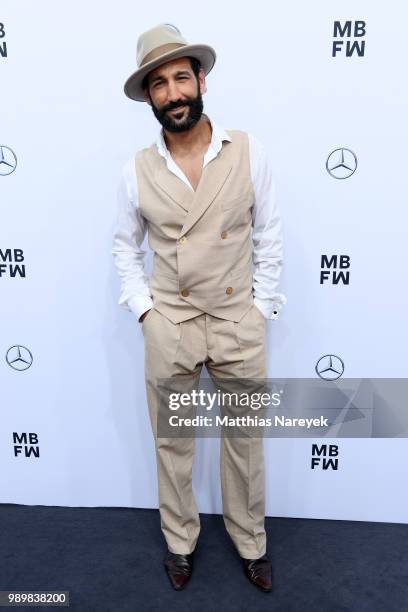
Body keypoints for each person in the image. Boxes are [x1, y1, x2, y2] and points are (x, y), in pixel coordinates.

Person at [112, 22, 287, 592]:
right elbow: (124, 246)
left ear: (201, 80)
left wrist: (262, 309)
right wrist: (145, 312)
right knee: (173, 445)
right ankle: (180, 542)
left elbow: (271, 235)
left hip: (238, 321)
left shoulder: (248, 150)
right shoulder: (135, 170)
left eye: (180, 78)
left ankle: (250, 542)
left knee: (245, 443)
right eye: (158, 85)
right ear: (150, 98)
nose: (172, 93)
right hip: (172, 326)